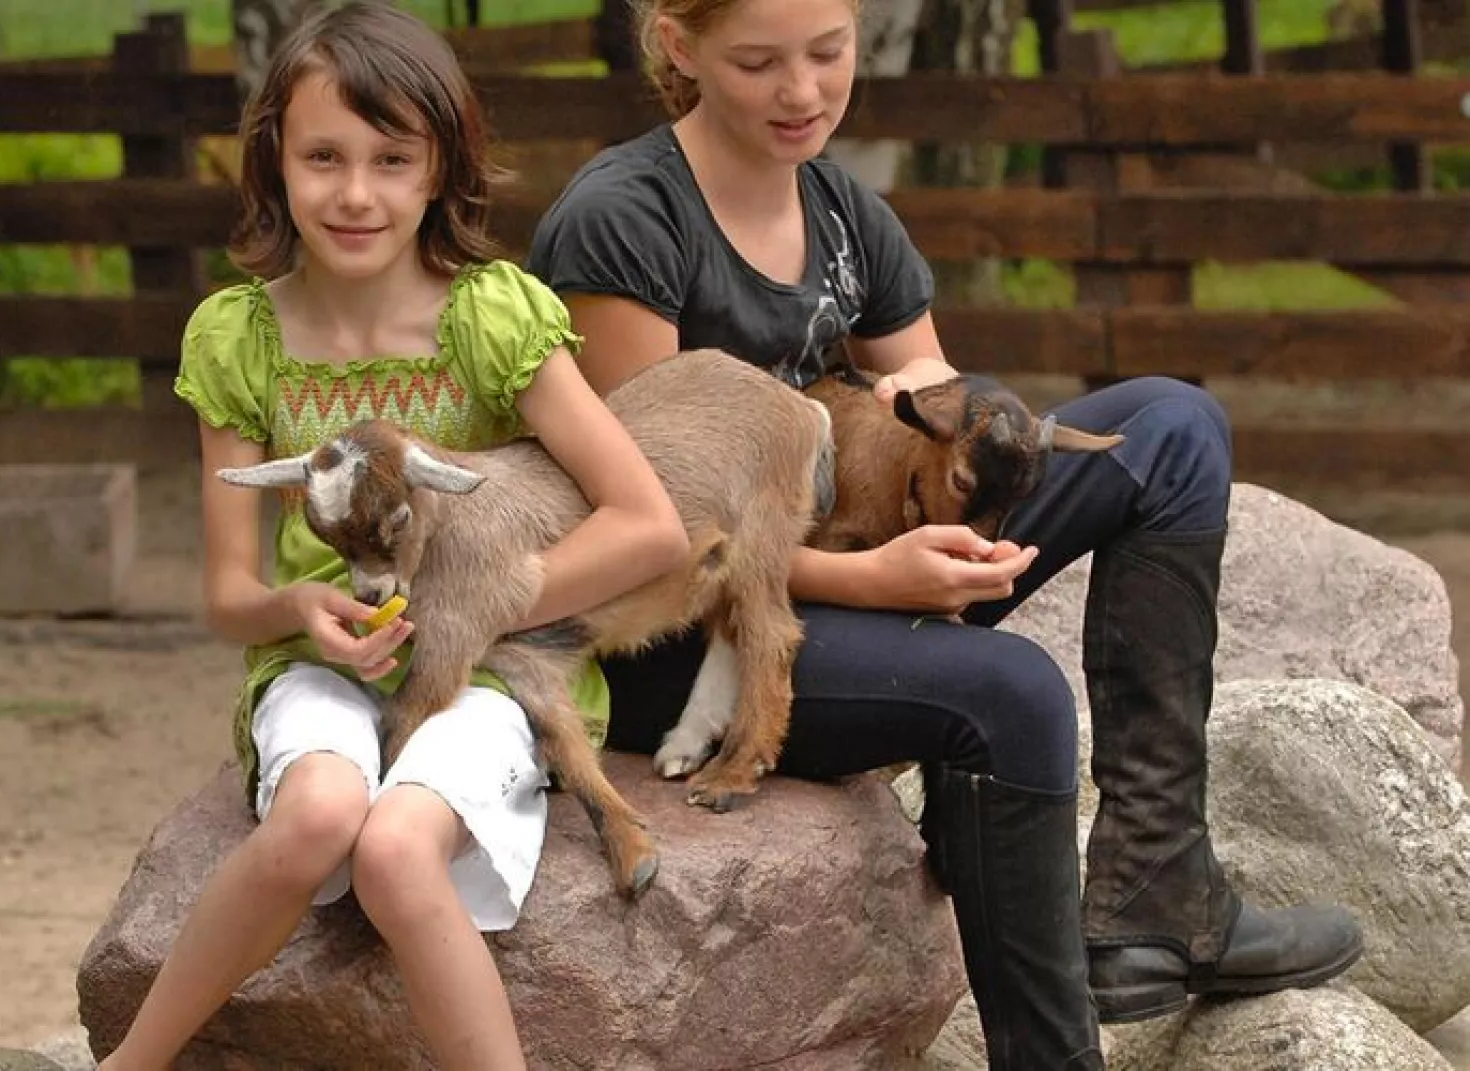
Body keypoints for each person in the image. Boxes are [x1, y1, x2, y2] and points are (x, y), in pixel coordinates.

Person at [525, 0, 1364, 1067]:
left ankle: (1153, 888)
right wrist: (871, 582)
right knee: (1008, 692)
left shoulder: (838, 209)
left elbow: (934, 394)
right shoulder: (624, 222)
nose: (803, 92)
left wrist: (936, 465)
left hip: (852, 563)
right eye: (759, 62)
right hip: (684, 639)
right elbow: (645, 533)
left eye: (828, 53)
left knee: (1173, 426)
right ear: (678, 46)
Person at [99, 5, 689, 1069]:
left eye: (390, 158)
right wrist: (297, 610)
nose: (356, 192)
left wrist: (470, 613)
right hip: (319, 664)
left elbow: (647, 526)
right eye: (324, 156)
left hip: (492, 670)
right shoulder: (238, 338)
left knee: (396, 848)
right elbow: (229, 593)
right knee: (320, 810)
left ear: (440, 168)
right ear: (274, 159)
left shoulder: (492, 318)